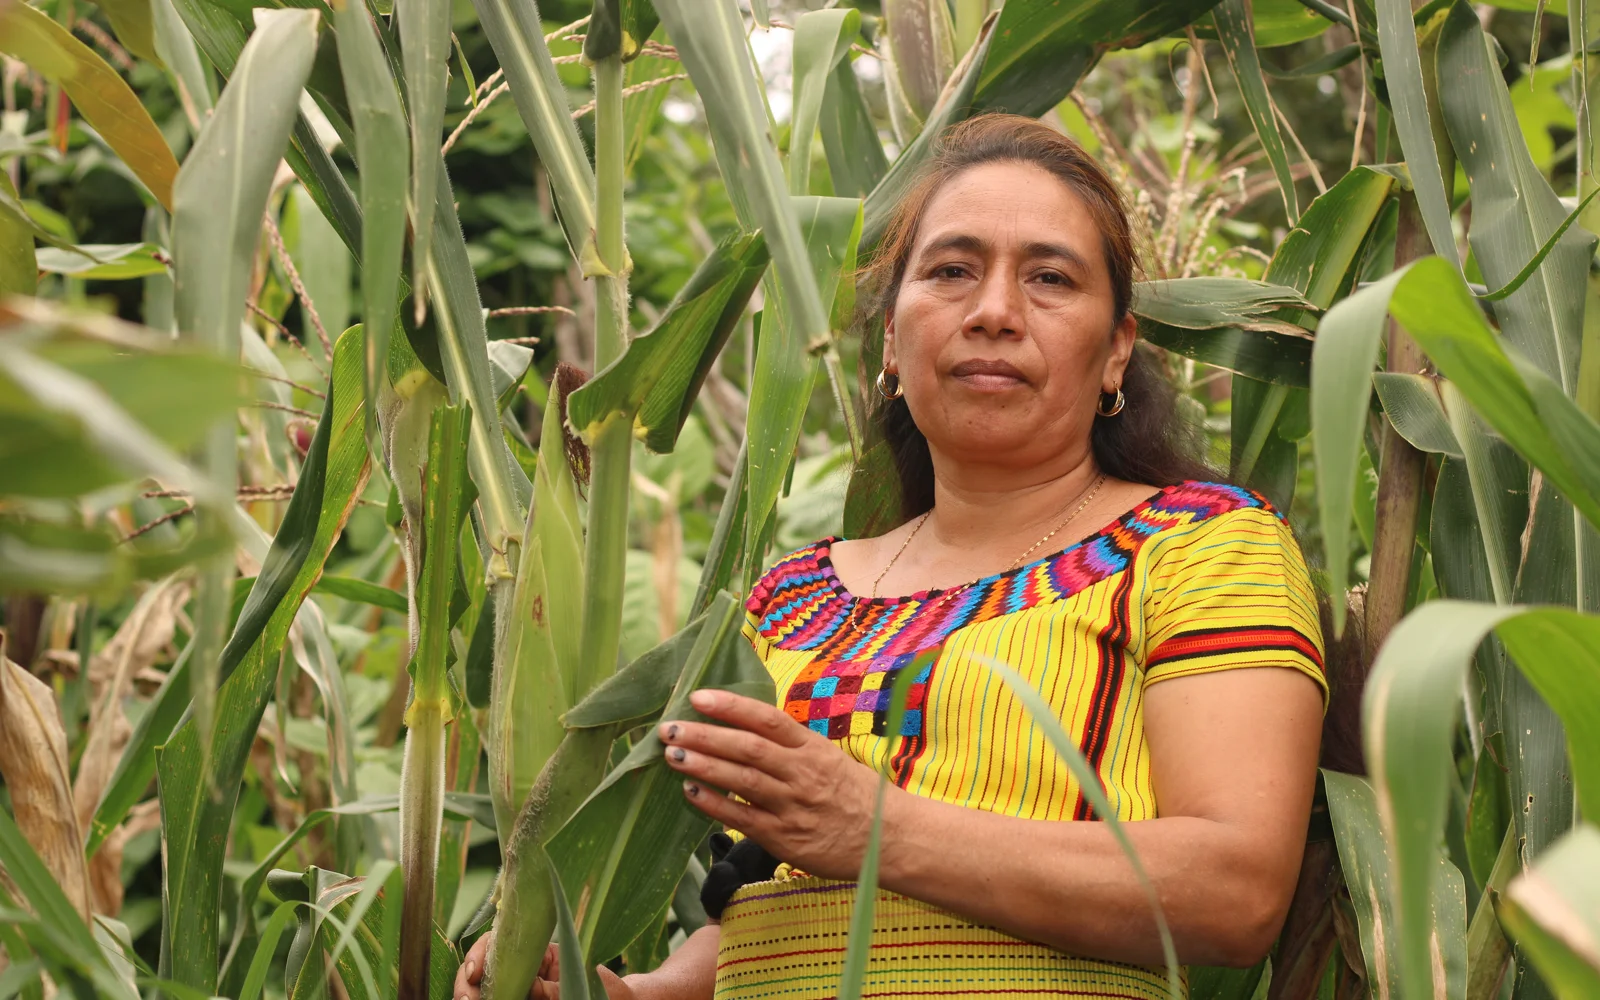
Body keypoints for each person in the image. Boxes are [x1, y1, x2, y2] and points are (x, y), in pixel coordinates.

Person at [456, 112, 1328, 1000]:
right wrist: (626, 996)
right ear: (888, 345)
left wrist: (876, 829)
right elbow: (764, 908)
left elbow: (1236, 891)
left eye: (1050, 278)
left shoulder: (1201, 544)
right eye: (951, 271)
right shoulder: (790, 601)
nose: (993, 312)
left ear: (1116, 352)